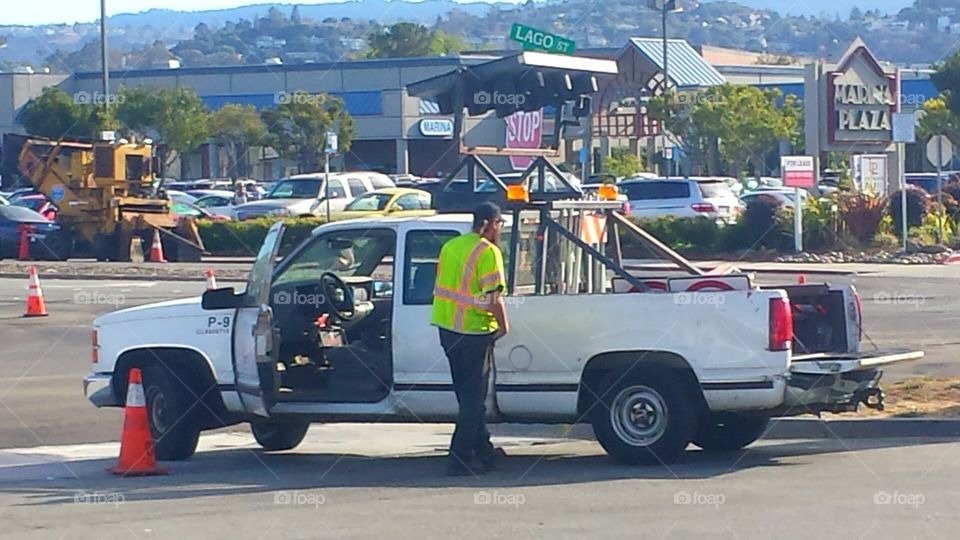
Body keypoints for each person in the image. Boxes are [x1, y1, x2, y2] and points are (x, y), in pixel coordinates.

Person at [431, 202, 510, 476]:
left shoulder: (451, 246)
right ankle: (460, 457)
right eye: (499, 224)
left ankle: (483, 450)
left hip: (447, 329)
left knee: (466, 395)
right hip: (474, 332)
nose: (500, 229)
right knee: (474, 399)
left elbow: (447, 288)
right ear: (490, 223)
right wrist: (503, 324)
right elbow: (490, 298)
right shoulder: (488, 252)